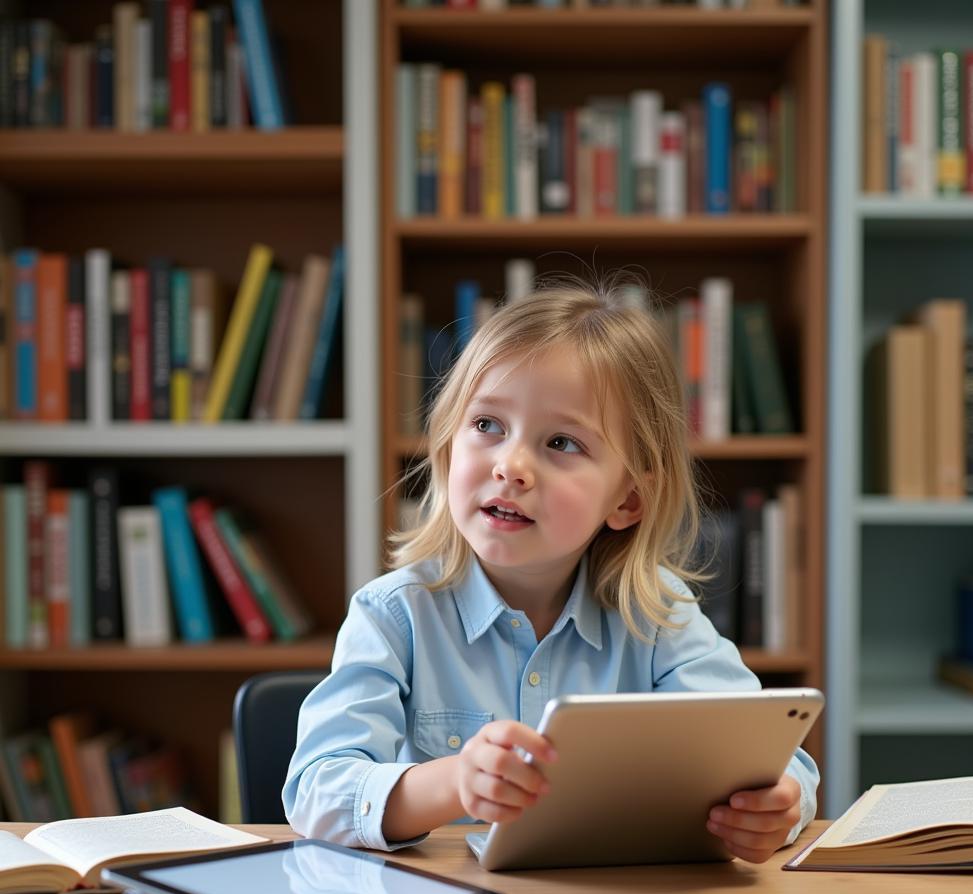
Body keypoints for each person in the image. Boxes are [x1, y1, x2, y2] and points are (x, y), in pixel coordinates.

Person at [283, 278, 819, 864]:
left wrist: (779, 806)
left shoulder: (657, 615)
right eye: (487, 425)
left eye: (561, 442)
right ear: (446, 447)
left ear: (628, 500)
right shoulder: (394, 614)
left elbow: (770, 755)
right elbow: (316, 790)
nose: (511, 467)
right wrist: (457, 781)